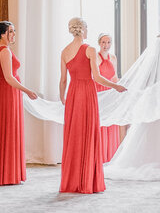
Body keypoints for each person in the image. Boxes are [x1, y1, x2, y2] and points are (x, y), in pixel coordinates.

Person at [59, 17, 126, 193]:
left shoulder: (65, 51)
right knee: (88, 133)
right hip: (87, 93)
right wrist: (116, 86)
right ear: (84, 30)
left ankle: (72, 181)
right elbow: (96, 77)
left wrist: (62, 97)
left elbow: (63, 80)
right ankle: (87, 180)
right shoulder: (90, 49)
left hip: (73, 93)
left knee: (75, 135)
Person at [104, 34, 160, 181]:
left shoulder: (152, 63)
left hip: (151, 102)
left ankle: (142, 160)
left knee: (146, 132)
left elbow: (145, 84)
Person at [0, 21, 37, 185]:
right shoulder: (4, 51)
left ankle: (5, 172)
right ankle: (6, 174)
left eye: (14, 31)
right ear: (2, 34)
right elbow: (9, 78)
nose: (14, 34)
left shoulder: (1, 49)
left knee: (7, 129)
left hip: (8, 92)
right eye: (11, 31)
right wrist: (27, 90)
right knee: (8, 129)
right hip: (7, 93)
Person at [96, 33, 120, 162]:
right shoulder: (96, 57)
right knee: (100, 123)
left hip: (110, 92)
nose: (106, 45)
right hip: (99, 92)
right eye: (103, 42)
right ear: (99, 43)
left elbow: (115, 76)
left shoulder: (113, 57)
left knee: (111, 122)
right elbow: (95, 77)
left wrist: (119, 88)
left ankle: (110, 156)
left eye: (108, 42)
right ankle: (100, 156)